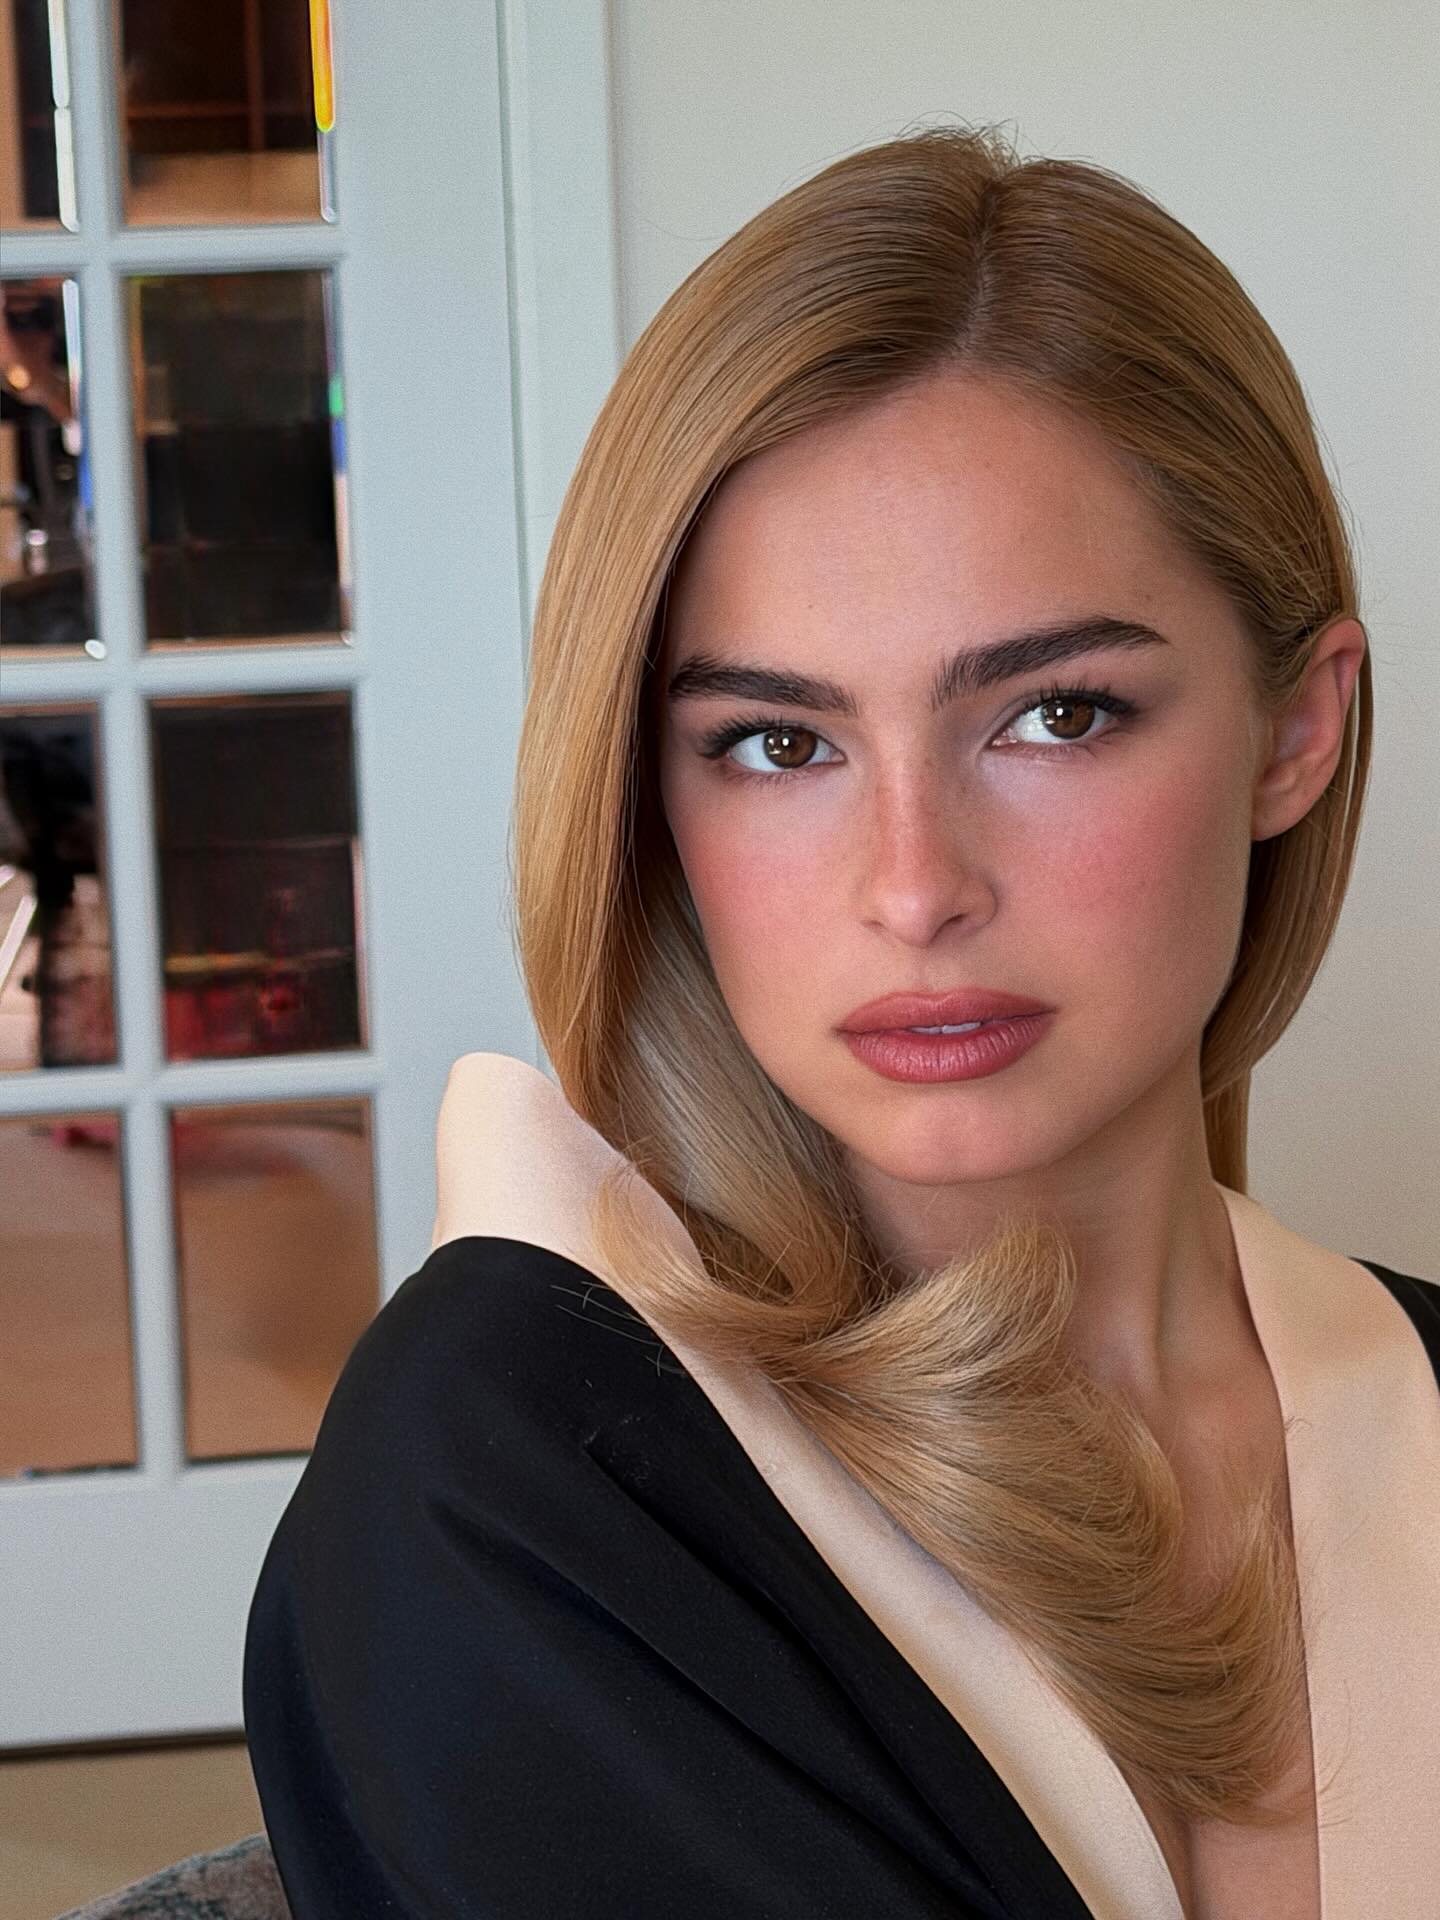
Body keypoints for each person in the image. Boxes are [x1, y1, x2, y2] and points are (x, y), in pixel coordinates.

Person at [242, 125, 1439, 1919]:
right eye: (778, 743)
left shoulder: (1417, 1401)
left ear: (1297, 730)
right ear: (651, 802)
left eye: (1055, 715)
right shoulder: (519, 1465)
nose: (913, 885)